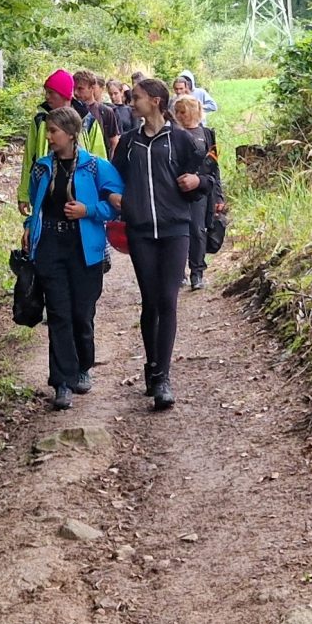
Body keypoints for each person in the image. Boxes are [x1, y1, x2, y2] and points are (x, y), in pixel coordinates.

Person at [111, 77, 208, 410]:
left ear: (155, 101)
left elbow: (206, 179)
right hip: (141, 232)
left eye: (136, 98)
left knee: (167, 300)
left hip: (175, 230)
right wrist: (114, 198)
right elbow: (112, 180)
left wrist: (197, 181)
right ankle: (152, 366)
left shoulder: (181, 139)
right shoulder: (129, 142)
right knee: (150, 301)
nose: (131, 103)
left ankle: (163, 377)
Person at [24, 107, 124, 410]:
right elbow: (36, 204)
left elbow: (117, 207)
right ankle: (62, 382)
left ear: (70, 134)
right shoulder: (42, 168)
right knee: (58, 313)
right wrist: (29, 227)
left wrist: (88, 211)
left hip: (84, 248)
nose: (49, 137)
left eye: (54, 131)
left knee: (82, 313)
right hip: (50, 246)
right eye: (48, 131)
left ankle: (83, 367)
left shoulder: (96, 167)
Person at [18, 69, 99, 209]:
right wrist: (24, 194)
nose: (47, 97)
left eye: (51, 92)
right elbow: (29, 158)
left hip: (81, 188)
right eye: (46, 92)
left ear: (64, 94)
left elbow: (99, 158)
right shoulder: (40, 120)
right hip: (46, 184)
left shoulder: (87, 120)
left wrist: (98, 196)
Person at [171, 94, 222, 290]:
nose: (179, 116)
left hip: (201, 189)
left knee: (198, 229)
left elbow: (214, 167)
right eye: (177, 112)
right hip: (176, 189)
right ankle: (178, 272)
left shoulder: (207, 134)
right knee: (177, 230)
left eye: (183, 112)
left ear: (193, 112)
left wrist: (218, 195)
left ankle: (197, 272)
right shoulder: (172, 134)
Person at [74, 69, 119, 155]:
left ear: (92, 88)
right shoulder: (71, 111)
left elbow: (114, 142)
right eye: (74, 88)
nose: (75, 93)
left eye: (80, 89)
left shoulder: (105, 112)